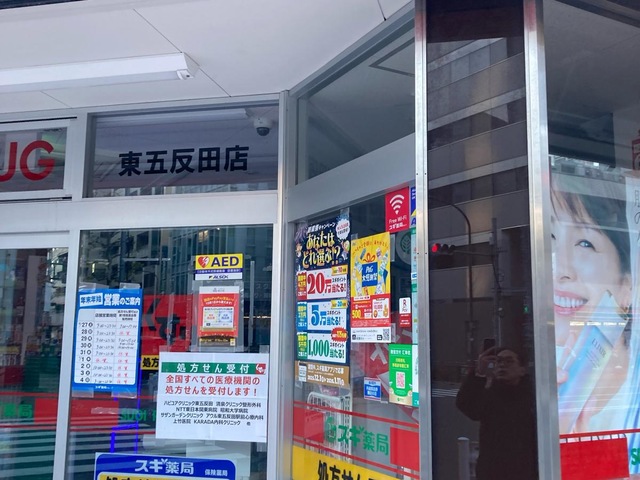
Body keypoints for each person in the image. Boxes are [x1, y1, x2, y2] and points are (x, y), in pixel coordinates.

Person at [551, 176, 632, 434]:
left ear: (627, 285)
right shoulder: (545, 376)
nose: (560, 270)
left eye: (585, 243)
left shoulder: (631, 398)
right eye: (550, 238)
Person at [456, 347, 537, 480]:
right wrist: (479, 373)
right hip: (493, 469)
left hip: (525, 468)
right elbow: (468, 406)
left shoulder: (533, 397)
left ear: (522, 369)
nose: (502, 365)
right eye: (498, 361)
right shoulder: (491, 395)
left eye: (509, 361)